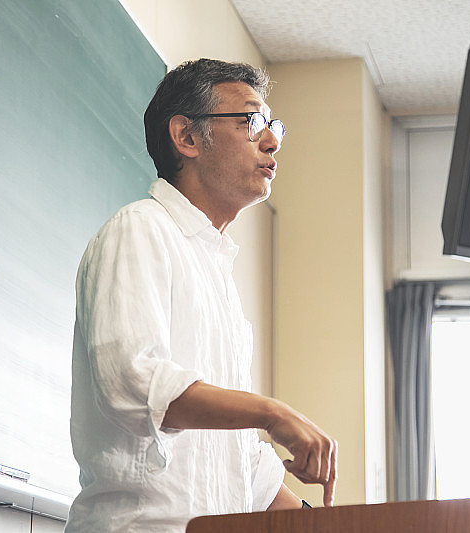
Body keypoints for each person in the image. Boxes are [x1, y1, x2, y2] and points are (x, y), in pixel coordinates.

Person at [66, 59, 337, 533]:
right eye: (251, 121)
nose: (271, 141)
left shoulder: (218, 276)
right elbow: (133, 383)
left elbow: (237, 463)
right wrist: (271, 412)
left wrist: (334, 524)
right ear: (187, 137)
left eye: (272, 126)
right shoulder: (139, 229)